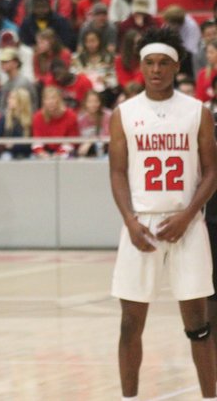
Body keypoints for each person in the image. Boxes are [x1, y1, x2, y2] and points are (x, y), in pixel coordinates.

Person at [109, 27, 217, 400]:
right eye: (150, 63)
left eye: (164, 63)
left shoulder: (196, 112)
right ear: (140, 67)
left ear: (176, 66)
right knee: (129, 324)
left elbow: (212, 172)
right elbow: (117, 172)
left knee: (199, 325)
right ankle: (129, 398)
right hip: (142, 226)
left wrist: (188, 215)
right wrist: (130, 221)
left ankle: (209, 396)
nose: (156, 70)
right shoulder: (124, 113)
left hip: (186, 224)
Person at [32, 86, 80, 158]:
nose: (50, 102)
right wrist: (41, 153)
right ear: (43, 101)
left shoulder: (71, 115)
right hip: (45, 151)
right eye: (47, 99)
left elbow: (72, 141)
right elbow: (37, 140)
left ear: (59, 100)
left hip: (66, 151)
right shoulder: (38, 117)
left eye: (53, 98)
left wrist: (59, 154)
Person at [0, 88, 34, 160]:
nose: (8, 100)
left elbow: (30, 145)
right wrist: (5, 144)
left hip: (26, 154)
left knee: (33, 158)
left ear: (21, 101)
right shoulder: (4, 119)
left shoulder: (31, 120)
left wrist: (13, 145)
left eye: (12, 98)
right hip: (8, 153)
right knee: (6, 157)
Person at [76, 90, 111, 157]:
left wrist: (90, 141)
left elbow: (107, 137)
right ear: (85, 103)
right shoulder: (81, 118)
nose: (93, 104)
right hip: (87, 152)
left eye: (96, 101)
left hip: (106, 150)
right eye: (90, 102)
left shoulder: (107, 116)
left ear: (100, 102)